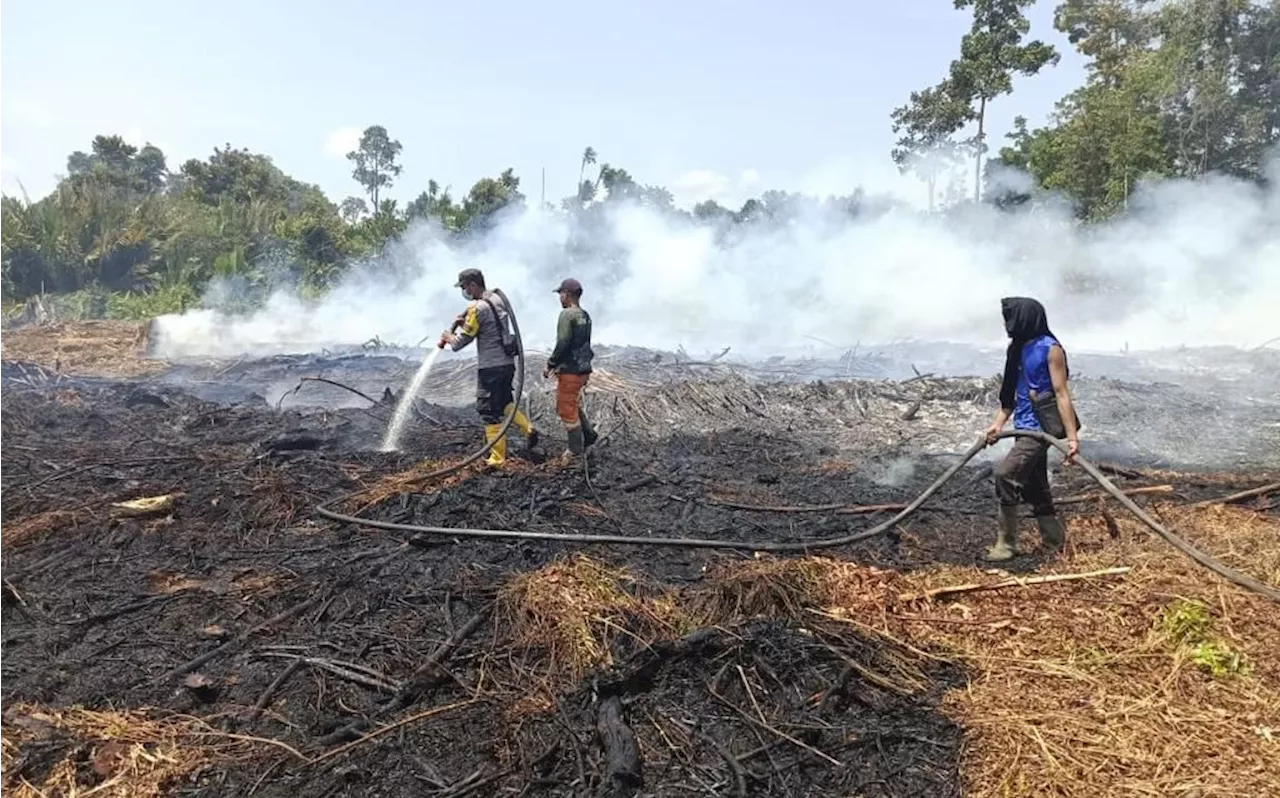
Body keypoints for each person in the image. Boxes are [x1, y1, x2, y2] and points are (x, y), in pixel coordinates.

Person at [981, 296, 1081, 561]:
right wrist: (997, 425)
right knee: (1036, 485)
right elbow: (1009, 394)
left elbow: (1061, 393)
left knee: (1005, 475)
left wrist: (1072, 438)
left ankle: (1006, 544)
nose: (1007, 324)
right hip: (1022, 426)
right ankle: (1055, 540)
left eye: (1011, 318)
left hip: (1040, 430)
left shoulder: (1051, 349)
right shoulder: (1017, 348)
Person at [439, 268, 538, 466]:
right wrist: (465, 319)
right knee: (504, 401)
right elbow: (487, 321)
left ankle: (497, 458)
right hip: (507, 363)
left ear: (473, 285)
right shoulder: (496, 299)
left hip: (490, 367)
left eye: (465, 287)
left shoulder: (478, 309)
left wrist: (448, 336)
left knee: (488, 410)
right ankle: (528, 428)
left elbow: (459, 344)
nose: (464, 291)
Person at [543, 278, 597, 460]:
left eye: (561, 294)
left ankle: (575, 450)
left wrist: (551, 364)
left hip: (571, 370)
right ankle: (589, 435)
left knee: (565, 408)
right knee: (572, 402)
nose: (560, 298)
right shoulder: (585, 315)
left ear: (567, 294)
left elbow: (563, 342)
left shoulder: (567, 315)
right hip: (584, 369)